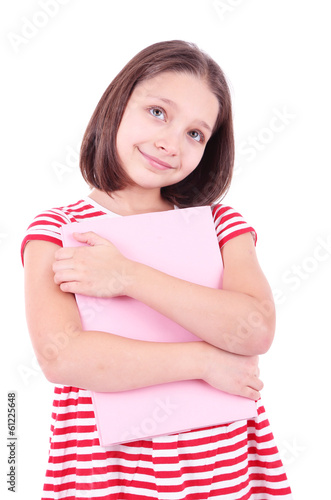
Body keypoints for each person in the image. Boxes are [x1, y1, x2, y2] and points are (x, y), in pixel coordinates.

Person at [22, 40, 293, 499]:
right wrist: (203, 361)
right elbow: (63, 357)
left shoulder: (222, 225)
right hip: (108, 468)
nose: (170, 142)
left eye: (195, 134)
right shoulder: (57, 229)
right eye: (158, 113)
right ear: (118, 105)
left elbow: (254, 329)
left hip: (219, 462)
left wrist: (127, 276)